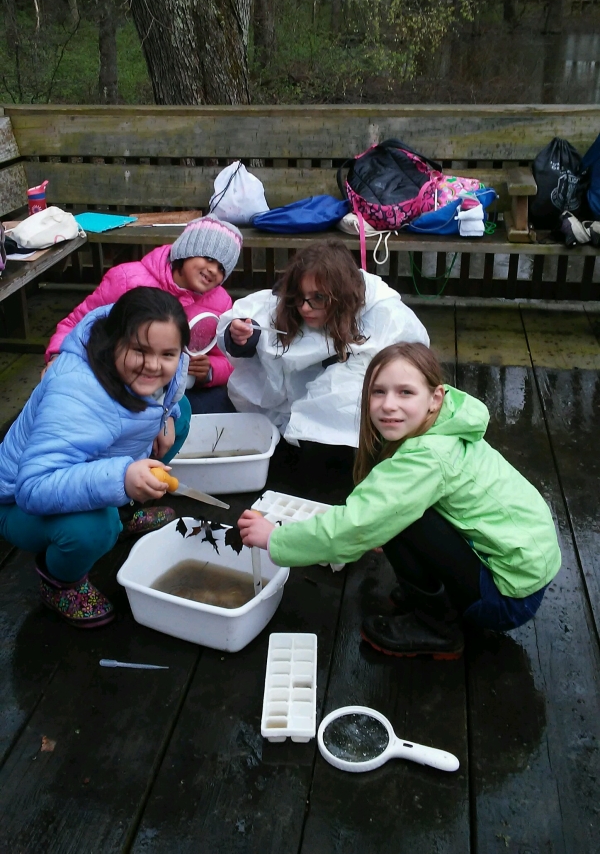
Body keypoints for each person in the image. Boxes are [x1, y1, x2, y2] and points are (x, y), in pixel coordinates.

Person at [238, 342, 561, 659]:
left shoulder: (427, 457)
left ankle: (438, 628)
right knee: (393, 513)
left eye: (405, 392)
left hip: (506, 597)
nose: (389, 404)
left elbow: (355, 526)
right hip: (524, 574)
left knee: (389, 516)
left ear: (436, 397)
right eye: (379, 392)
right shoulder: (449, 426)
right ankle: (437, 595)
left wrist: (275, 538)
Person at [0, 287, 191, 629]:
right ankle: (62, 582)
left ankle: (120, 513)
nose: (153, 365)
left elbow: (169, 387)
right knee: (94, 528)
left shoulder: (161, 368)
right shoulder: (76, 391)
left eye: (167, 354)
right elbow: (33, 487)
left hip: (88, 467)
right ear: (114, 340)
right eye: (139, 351)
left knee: (184, 412)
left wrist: (167, 415)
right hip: (17, 503)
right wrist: (122, 479)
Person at [217, 240, 429, 498]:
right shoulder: (284, 304)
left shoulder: (382, 312)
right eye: (299, 298)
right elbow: (250, 324)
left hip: (347, 424)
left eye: (318, 298)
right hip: (285, 410)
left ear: (343, 294)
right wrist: (242, 337)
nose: (305, 308)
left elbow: (411, 360)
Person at [45, 215, 243, 414]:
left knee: (221, 406)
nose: (213, 270)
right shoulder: (127, 279)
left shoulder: (220, 303)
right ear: (185, 251)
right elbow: (77, 323)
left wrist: (210, 371)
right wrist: (57, 356)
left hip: (176, 388)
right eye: (208, 258)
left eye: (222, 268)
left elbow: (229, 358)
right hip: (118, 377)